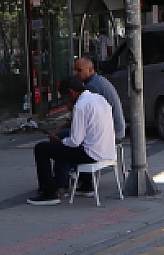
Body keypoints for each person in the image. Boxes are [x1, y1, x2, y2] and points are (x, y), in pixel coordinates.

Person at [28, 77, 115, 205]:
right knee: (62, 145)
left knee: (41, 149)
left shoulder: (80, 106)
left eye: (66, 97)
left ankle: (49, 192)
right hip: (107, 150)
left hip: (90, 154)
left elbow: (75, 141)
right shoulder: (99, 99)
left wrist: (59, 141)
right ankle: (81, 184)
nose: (67, 101)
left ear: (71, 92)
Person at [73, 56, 125, 145]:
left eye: (79, 70)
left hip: (113, 133)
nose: (75, 73)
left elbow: (85, 116)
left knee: (69, 137)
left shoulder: (92, 87)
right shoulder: (97, 81)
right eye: (75, 70)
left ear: (90, 70)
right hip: (116, 130)